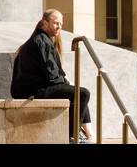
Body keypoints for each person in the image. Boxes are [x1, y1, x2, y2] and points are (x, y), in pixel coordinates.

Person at [10, 8, 93, 143]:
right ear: (44, 23)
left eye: (61, 24)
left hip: (28, 90)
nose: (59, 27)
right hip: (34, 91)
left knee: (77, 91)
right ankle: (72, 136)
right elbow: (52, 76)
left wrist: (66, 84)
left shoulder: (36, 40)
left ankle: (88, 135)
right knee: (82, 93)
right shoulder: (42, 42)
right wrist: (65, 83)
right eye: (56, 23)